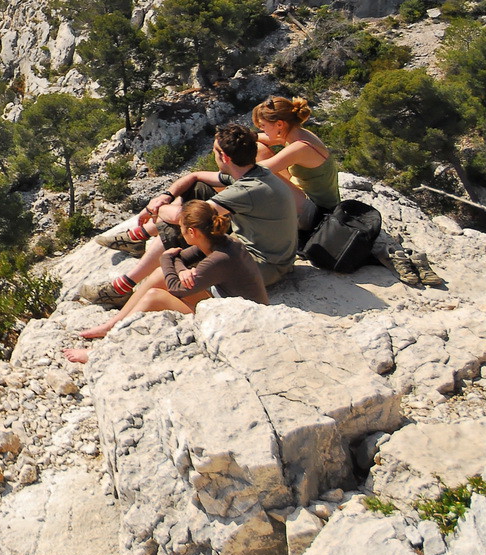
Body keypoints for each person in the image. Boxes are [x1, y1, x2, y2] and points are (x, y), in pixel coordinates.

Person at [80, 123, 298, 305]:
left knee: (186, 221)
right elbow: (195, 176)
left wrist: (156, 209)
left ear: (225, 158)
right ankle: (139, 241)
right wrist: (165, 196)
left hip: (263, 266)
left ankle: (125, 285)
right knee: (198, 190)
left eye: (214, 151)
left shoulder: (247, 190)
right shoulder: (253, 173)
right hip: (269, 253)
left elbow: (180, 218)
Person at [66, 201, 267, 361]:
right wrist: (179, 269)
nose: (179, 232)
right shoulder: (218, 241)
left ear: (192, 232)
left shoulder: (219, 258)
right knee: (161, 274)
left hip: (238, 323)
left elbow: (176, 287)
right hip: (228, 304)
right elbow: (179, 259)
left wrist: (167, 260)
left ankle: (100, 352)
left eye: (181, 228)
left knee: (154, 296)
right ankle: (112, 325)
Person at [253, 96, 340, 230]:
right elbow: (266, 139)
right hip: (308, 195)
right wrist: (247, 136)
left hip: (318, 212)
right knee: (258, 148)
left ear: (280, 124)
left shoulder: (300, 148)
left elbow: (257, 171)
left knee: (259, 174)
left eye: (263, 126)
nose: (262, 130)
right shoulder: (299, 134)